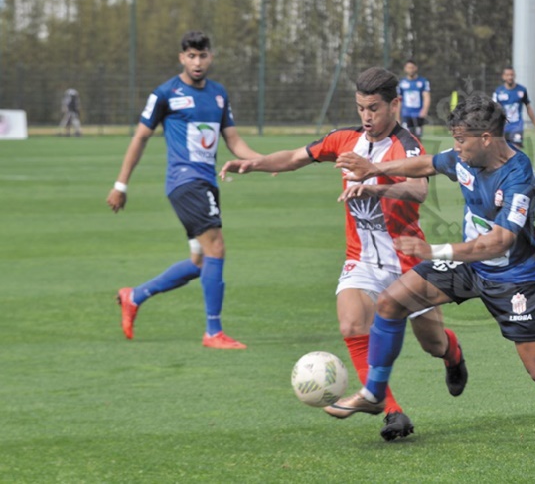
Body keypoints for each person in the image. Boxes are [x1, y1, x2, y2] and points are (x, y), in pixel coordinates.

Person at [329, 94, 535, 455]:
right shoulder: (464, 159)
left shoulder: (519, 176)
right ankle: (374, 393)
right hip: (467, 266)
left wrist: (435, 252)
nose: (456, 147)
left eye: (461, 140)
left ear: (486, 138)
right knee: (392, 301)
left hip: (513, 279)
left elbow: (500, 243)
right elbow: (428, 163)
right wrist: (374, 169)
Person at [219, 67, 467, 442]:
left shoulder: (407, 145)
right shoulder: (345, 139)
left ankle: (453, 355)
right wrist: (255, 163)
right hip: (362, 258)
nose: (366, 116)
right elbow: (295, 156)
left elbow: (417, 191)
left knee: (432, 343)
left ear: (394, 105)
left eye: (374, 108)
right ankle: (392, 412)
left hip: (406, 261)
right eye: (360, 108)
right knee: (351, 324)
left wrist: (373, 188)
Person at [106, 31, 265, 350]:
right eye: (191, 55)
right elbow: (140, 138)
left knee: (200, 262)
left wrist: (264, 161)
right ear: (182, 58)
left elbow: (232, 140)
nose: (197, 61)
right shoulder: (166, 93)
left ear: (211, 57)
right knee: (216, 247)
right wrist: (120, 185)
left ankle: (134, 296)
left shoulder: (219, 94)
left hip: (207, 182)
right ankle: (213, 332)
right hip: (185, 181)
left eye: (202, 55)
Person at [493, 67, 535, 147]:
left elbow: (528, 108)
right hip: (502, 127)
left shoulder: (522, 90)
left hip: (517, 126)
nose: (510, 77)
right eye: (507, 75)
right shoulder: (498, 91)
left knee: (515, 150)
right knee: (502, 154)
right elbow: (493, 110)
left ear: (515, 75)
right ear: (503, 76)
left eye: (512, 75)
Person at [398, 60, 430, 139]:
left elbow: (427, 97)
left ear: (416, 68)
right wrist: (397, 116)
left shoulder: (423, 82)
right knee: (406, 137)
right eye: (408, 68)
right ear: (405, 69)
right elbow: (398, 100)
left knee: (417, 137)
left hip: (418, 114)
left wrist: (424, 110)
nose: (410, 70)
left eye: (412, 67)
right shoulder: (402, 83)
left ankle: (418, 151)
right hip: (406, 114)